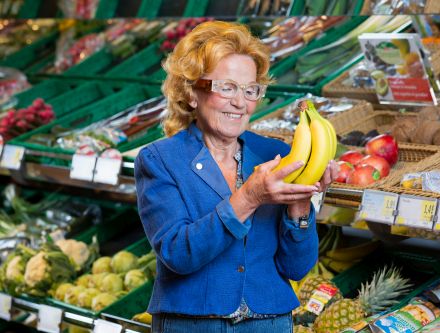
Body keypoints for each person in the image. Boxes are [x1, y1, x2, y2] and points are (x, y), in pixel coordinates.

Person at [135, 20, 338, 333]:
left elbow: (296, 268)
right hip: (192, 325)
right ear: (191, 92)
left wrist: (300, 206)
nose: (241, 103)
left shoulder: (275, 155)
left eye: (250, 90)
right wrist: (250, 196)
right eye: (226, 87)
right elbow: (178, 253)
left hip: (268, 324)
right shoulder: (161, 160)